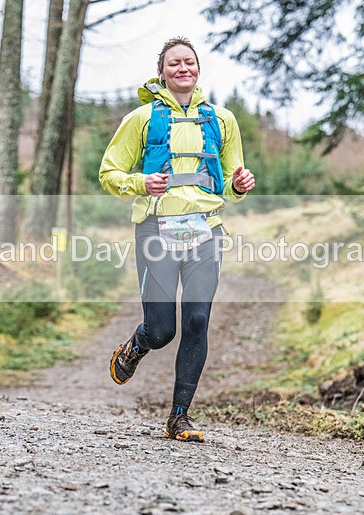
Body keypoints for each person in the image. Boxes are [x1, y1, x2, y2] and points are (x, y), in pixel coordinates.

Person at [98, 37, 255, 442]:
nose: (182, 68)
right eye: (174, 63)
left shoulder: (223, 120)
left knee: (198, 320)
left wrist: (240, 184)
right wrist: (140, 181)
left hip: (206, 229)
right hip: (156, 228)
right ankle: (137, 344)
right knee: (162, 329)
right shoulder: (141, 119)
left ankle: (179, 417)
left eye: (189, 62)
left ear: (198, 69)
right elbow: (109, 173)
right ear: (162, 72)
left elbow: (233, 177)